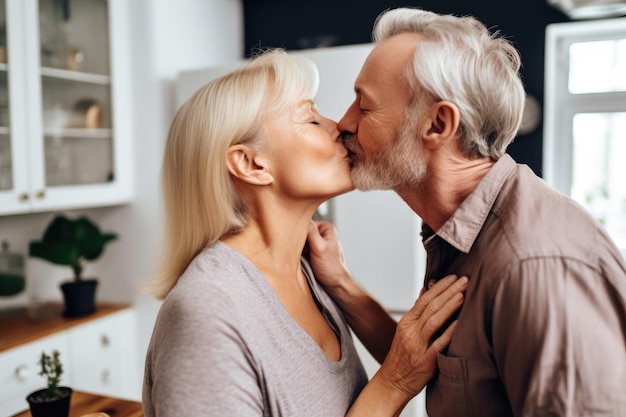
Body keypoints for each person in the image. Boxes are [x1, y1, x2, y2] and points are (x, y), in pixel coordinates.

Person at [306, 6, 626, 417]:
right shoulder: (459, 229)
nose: (343, 123)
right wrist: (342, 285)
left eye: (364, 107)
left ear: (438, 125)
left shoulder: (534, 264)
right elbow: (433, 362)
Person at [141, 48, 468, 417]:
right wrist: (391, 385)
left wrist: (342, 285)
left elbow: (425, 369)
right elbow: (401, 375)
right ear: (252, 164)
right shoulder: (207, 312)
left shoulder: (308, 273)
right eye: (311, 119)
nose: (341, 126)